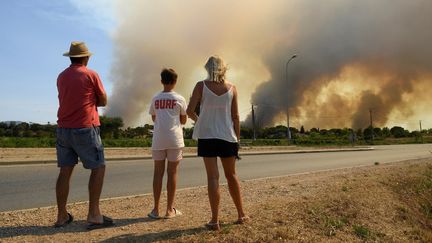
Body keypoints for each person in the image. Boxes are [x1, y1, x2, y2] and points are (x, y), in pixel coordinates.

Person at [54, 41, 113, 230]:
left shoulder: (61, 76)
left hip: (63, 129)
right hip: (85, 128)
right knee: (98, 167)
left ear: (71, 57)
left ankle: (62, 215)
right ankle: (94, 214)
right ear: (86, 57)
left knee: (65, 171)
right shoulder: (90, 74)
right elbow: (103, 100)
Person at [187, 56, 248, 230]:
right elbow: (235, 117)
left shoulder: (201, 86)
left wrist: (201, 120)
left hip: (207, 136)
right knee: (232, 176)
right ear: (224, 69)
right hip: (228, 136)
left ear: (207, 68)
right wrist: (237, 139)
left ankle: (214, 220)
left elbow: (189, 111)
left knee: (213, 177)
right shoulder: (232, 88)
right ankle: (241, 214)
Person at [148, 68, 187, 219]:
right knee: (172, 173)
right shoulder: (180, 98)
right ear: (175, 81)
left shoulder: (155, 98)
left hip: (158, 138)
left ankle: (155, 210)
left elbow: (153, 117)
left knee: (158, 173)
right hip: (175, 139)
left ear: (161, 81)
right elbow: (183, 119)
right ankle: (169, 210)